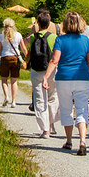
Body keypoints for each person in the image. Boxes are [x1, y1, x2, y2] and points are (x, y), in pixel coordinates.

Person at [42, 11, 89, 156]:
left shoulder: (60, 40)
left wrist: (46, 77)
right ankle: (82, 141)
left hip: (64, 78)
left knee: (66, 109)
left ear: (65, 24)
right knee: (82, 109)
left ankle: (69, 140)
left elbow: (55, 60)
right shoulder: (85, 41)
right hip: (82, 77)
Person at [27, 10, 59, 138]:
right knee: (52, 97)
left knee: (39, 100)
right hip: (50, 71)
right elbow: (57, 56)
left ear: (38, 24)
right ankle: (51, 125)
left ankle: (45, 130)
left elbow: (27, 49)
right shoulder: (54, 37)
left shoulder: (34, 37)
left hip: (36, 71)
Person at [0, 17, 28, 108]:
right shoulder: (18, 35)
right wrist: (27, 59)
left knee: (4, 79)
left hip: (5, 58)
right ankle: (13, 101)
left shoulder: (1, 36)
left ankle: (6, 96)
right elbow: (23, 48)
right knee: (14, 81)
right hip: (15, 59)